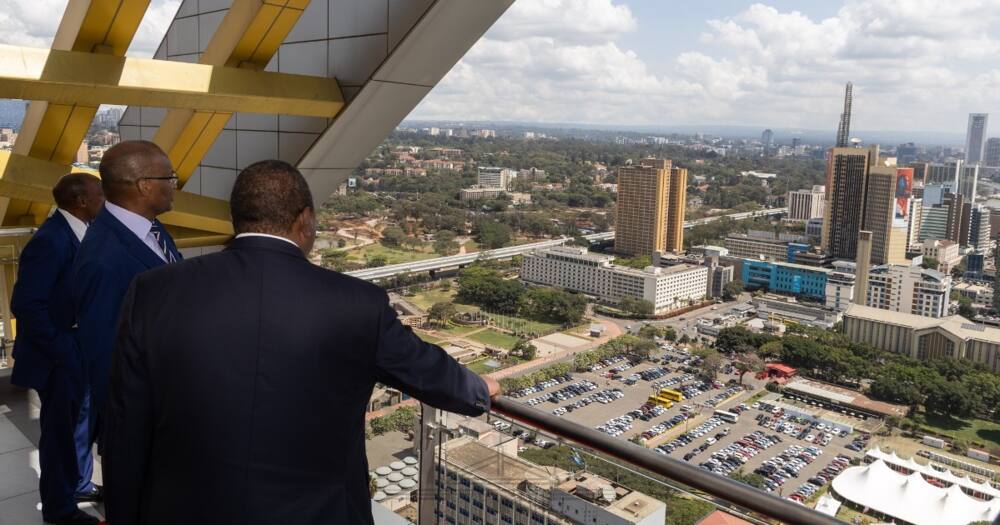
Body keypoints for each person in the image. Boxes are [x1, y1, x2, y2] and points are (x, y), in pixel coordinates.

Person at [104, 160, 500, 524]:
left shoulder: (155, 291)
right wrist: (478, 389)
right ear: (305, 221)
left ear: (236, 219)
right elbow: (426, 370)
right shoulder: (356, 304)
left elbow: (125, 425)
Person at [72, 141, 182, 468]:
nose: (175, 185)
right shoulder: (102, 259)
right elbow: (106, 357)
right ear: (144, 185)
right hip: (146, 422)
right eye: (170, 177)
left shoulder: (152, 230)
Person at [11, 173, 104, 525]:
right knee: (59, 433)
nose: (105, 200)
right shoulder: (51, 240)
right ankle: (59, 509)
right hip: (59, 355)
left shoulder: (78, 234)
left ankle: (77, 484)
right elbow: (27, 303)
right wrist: (64, 348)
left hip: (76, 348)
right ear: (81, 201)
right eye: (99, 194)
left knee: (81, 424)